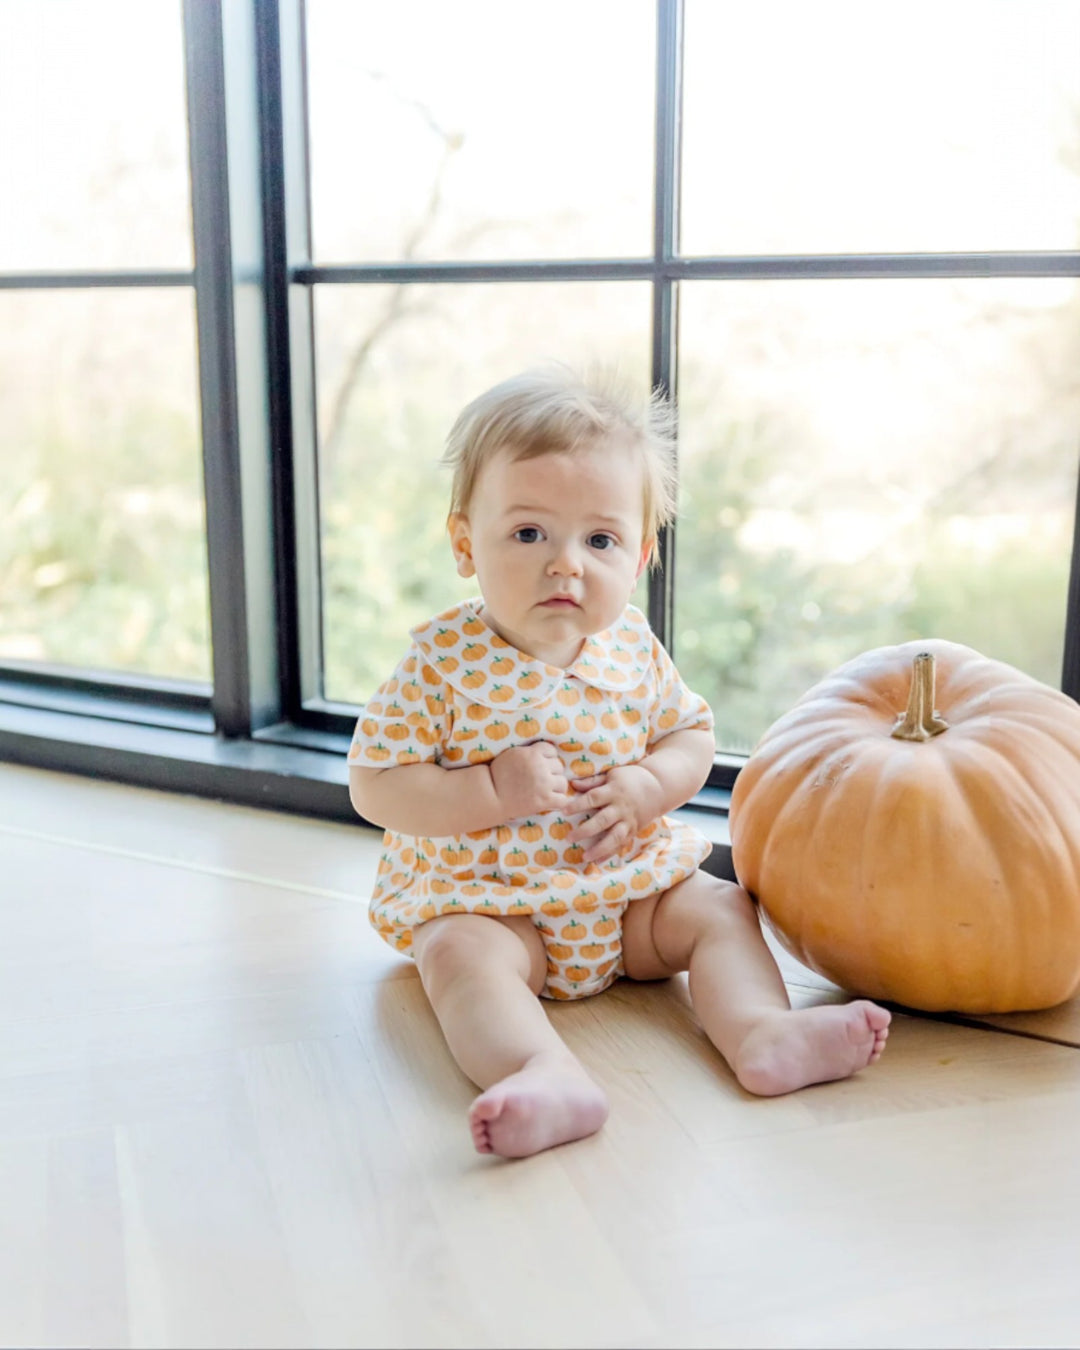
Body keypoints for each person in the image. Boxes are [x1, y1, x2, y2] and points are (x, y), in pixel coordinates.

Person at [349, 366, 890, 1159]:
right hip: (496, 903)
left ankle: (763, 1034)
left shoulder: (631, 646)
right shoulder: (440, 665)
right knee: (459, 957)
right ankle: (544, 1071)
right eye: (529, 533)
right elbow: (375, 785)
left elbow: (691, 737)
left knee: (721, 909)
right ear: (466, 544)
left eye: (598, 540)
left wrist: (645, 786)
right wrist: (491, 788)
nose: (565, 564)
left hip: (629, 896)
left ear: (637, 558)